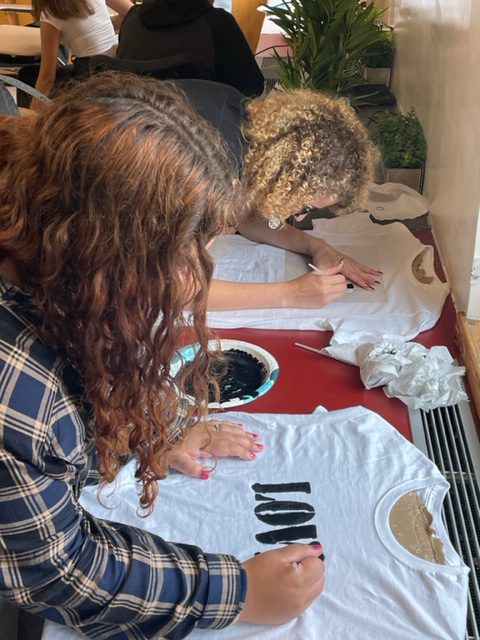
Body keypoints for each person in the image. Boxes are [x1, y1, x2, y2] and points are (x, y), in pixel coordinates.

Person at [0, 73, 325, 638]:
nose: (192, 275)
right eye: (179, 251)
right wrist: (237, 592)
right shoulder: (17, 392)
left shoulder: (50, 262)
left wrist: (154, 430)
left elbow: (90, 352)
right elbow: (57, 571)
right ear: (100, 251)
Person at [174, 79, 382, 310]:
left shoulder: (245, 127)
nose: (300, 218)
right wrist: (290, 295)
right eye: (306, 207)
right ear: (289, 179)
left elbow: (247, 218)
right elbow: (169, 288)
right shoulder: (206, 176)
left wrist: (317, 247)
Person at [117, 0, 265, 96]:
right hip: (203, 135)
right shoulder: (217, 24)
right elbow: (253, 88)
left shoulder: (132, 20)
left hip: (139, 131)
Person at [24, 0, 133, 107]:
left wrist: (32, 114)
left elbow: (47, 77)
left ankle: (29, 122)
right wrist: (99, 26)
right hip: (118, 64)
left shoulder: (50, 14)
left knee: (28, 74)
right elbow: (132, 12)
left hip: (90, 73)